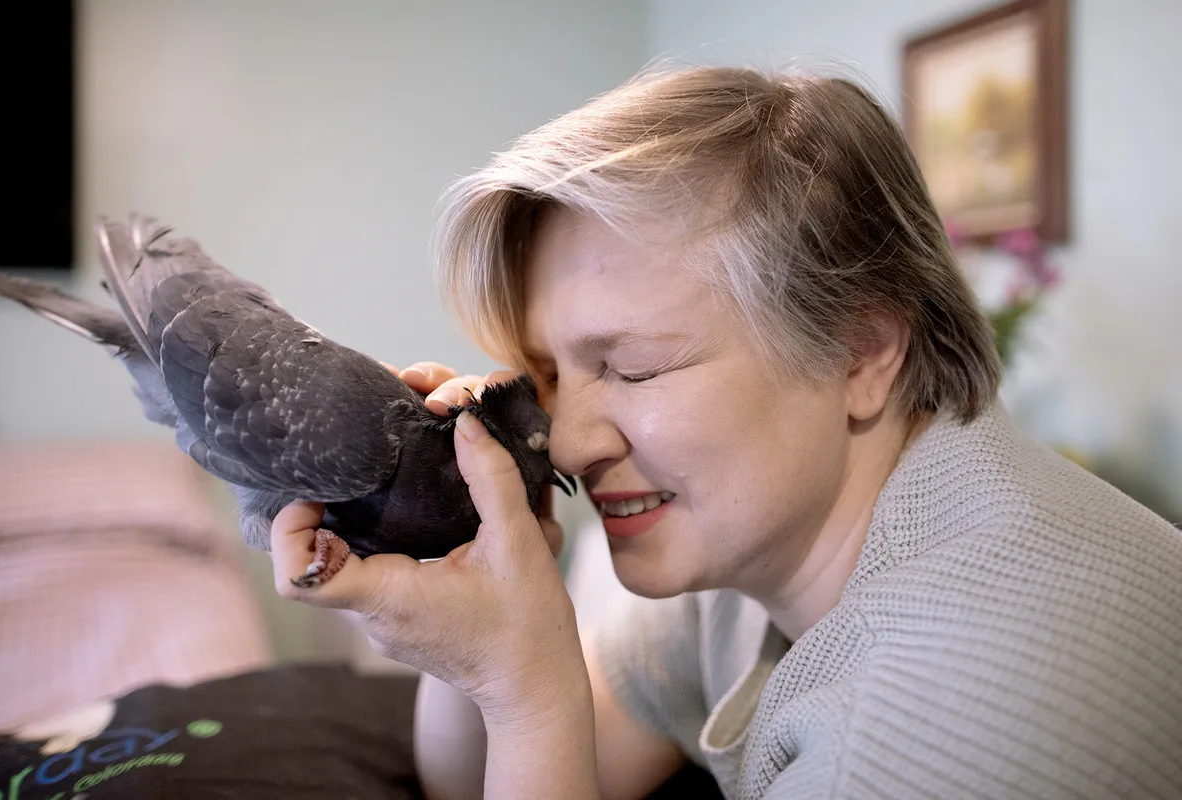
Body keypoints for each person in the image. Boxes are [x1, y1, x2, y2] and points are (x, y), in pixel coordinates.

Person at [267, 63, 1182, 799]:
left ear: (861, 353)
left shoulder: (957, 716)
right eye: (551, 375)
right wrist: (463, 562)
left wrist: (525, 694)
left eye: (632, 367)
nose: (571, 442)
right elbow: (479, 781)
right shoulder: (749, 549)